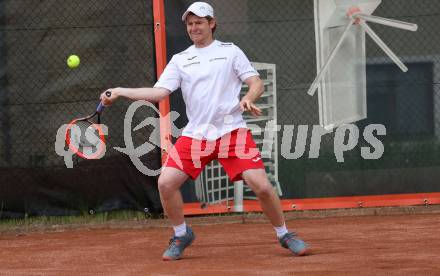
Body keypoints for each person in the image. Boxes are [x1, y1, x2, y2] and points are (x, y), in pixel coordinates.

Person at [101, 1, 308, 261]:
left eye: (199, 22)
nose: (193, 27)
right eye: (189, 23)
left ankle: (284, 234)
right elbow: (159, 92)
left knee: (262, 187)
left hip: (232, 132)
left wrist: (248, 98)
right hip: (196, 136)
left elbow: (255, 82)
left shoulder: (230, 52)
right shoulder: (181, 60)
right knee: (165, 183)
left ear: (212, 23)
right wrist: (121, 91)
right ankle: (181, 234)